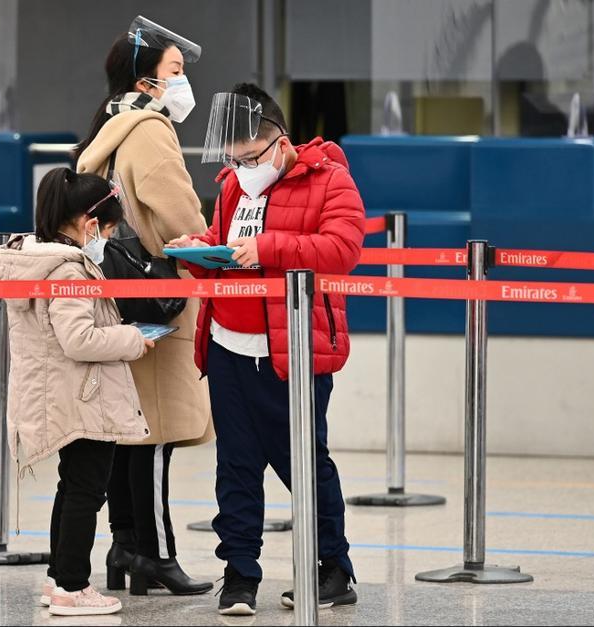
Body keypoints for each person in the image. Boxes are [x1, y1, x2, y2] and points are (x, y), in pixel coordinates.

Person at [168, 83, 365, 615]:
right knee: (235, 465)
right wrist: (198, 252)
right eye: (234, 158)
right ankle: (239, 575)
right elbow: (226, 246)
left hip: (292, 350)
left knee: (303, 463)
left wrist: (266, 249)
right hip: (229, 346)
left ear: (279, 141)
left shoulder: (330, 178)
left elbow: (343, 249)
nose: (241, 166)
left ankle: (332, 568)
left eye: (251, 156)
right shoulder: (234, 185)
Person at [75, 15, 213, 596]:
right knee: (156, 433)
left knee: (130, 432)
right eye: (175, 71)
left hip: (117, 294)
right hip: (158, 293)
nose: (183, 83)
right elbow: (180, 213)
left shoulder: (105, 127)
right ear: (147, 80)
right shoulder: (150, 130)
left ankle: (124, 548)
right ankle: (156, 554)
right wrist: (210, 242)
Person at [0, 168, 153, 617]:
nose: (108, 238)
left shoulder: (35, 260)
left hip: (59, 392)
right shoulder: (70, 269)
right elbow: (78, 339)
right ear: (89, 224)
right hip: (82, 395)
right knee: (86, 491)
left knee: (73, 488)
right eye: (108, 229)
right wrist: (133, 339)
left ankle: (58, 579)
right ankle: (73, 586)